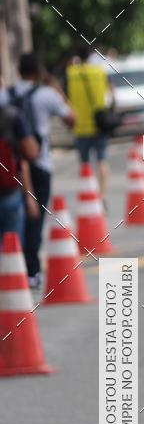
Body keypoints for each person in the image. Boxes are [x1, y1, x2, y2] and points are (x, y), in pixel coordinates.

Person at [1, 52, 74, 288]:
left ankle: (13, 269)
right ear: (39, 71)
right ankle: (30, 271)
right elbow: (71, 119)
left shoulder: (6, 95)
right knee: (34, 219)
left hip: (11, 164)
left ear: (19, 70)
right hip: (38, 162)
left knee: (12, 221)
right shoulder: (47, 94)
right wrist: (58, 90)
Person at [66, 45, 112, 207]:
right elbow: (110, 92)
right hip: (99, 125)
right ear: (91, 55)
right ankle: (102, 195)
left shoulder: (71, 74)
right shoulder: (99, 71)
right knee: (102, 161)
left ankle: (89, 195)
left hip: (80, 127)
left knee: (84, 166)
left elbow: (66, 96)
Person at [0, 102, 39, 251]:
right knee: (13, 249)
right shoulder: (11, 115)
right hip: (9, 192)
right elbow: (29, 154)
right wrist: (29, 196)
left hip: (10, 193)